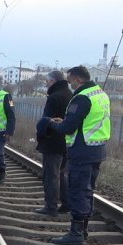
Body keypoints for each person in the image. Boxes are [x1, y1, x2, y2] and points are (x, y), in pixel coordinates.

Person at [44, 66, 110, 245]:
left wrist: (52, 123)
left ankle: (76, 233)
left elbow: (68, 128)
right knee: (88, 190)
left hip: (82, 150)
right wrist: (65, 121)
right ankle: (84, 229)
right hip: (97, 150)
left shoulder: (81, 98)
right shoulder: (101, 95)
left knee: (78, 190)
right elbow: (86, 122)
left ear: (78, 80)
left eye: (70, 80)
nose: (70, 84)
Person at [33, 71, 73, 216]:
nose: (46, 83)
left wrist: (41, 134)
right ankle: (66, 203)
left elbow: (47, 121)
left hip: (53, 141)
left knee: (51, 176)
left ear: (53, 81)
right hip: (67, 141)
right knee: (62, 174)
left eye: (47, 81)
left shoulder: (54, 97)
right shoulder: (71, 95)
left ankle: (51, 207)